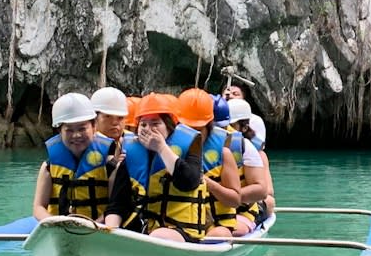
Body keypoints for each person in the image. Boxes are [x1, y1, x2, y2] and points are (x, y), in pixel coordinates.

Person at [105, 93, 220, 241]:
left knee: (160, 235)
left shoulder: (190, 145)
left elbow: (189, 183)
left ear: (169, 126)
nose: (148, 129)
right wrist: (110, 230)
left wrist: (161, 148)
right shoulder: (132, 154)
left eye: (155, 123)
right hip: (143, 230)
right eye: (143, 124)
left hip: (180, 230)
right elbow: (117, 203)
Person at [175, 87, 245, 236]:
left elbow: (235, 200)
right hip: (180, 225)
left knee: (219, 234)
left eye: (198, 129)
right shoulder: (171, 150)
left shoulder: (224, 153)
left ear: (208, 126)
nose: (193, 135)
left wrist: (207, 182)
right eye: (188, 129)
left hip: (215, 225)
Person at [33, 92, 110, 222]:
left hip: (98, 229)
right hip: (61, 230)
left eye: (82, 129)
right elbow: (38, 207)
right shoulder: (48, 167)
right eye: (69, 130)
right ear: (60, 131)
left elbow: (116, 206)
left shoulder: (110, 165)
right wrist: (57, 224)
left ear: (94, 127)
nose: (76, 135)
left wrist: (94, 227)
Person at [225, 98, 274, 227]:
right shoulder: (214, 146)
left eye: (230, 125)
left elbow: (267, 192)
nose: (225, 129)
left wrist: (229, 197)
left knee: (268, 201)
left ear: (244, 127)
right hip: (222, 203)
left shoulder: (258, 154)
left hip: (245, 204)